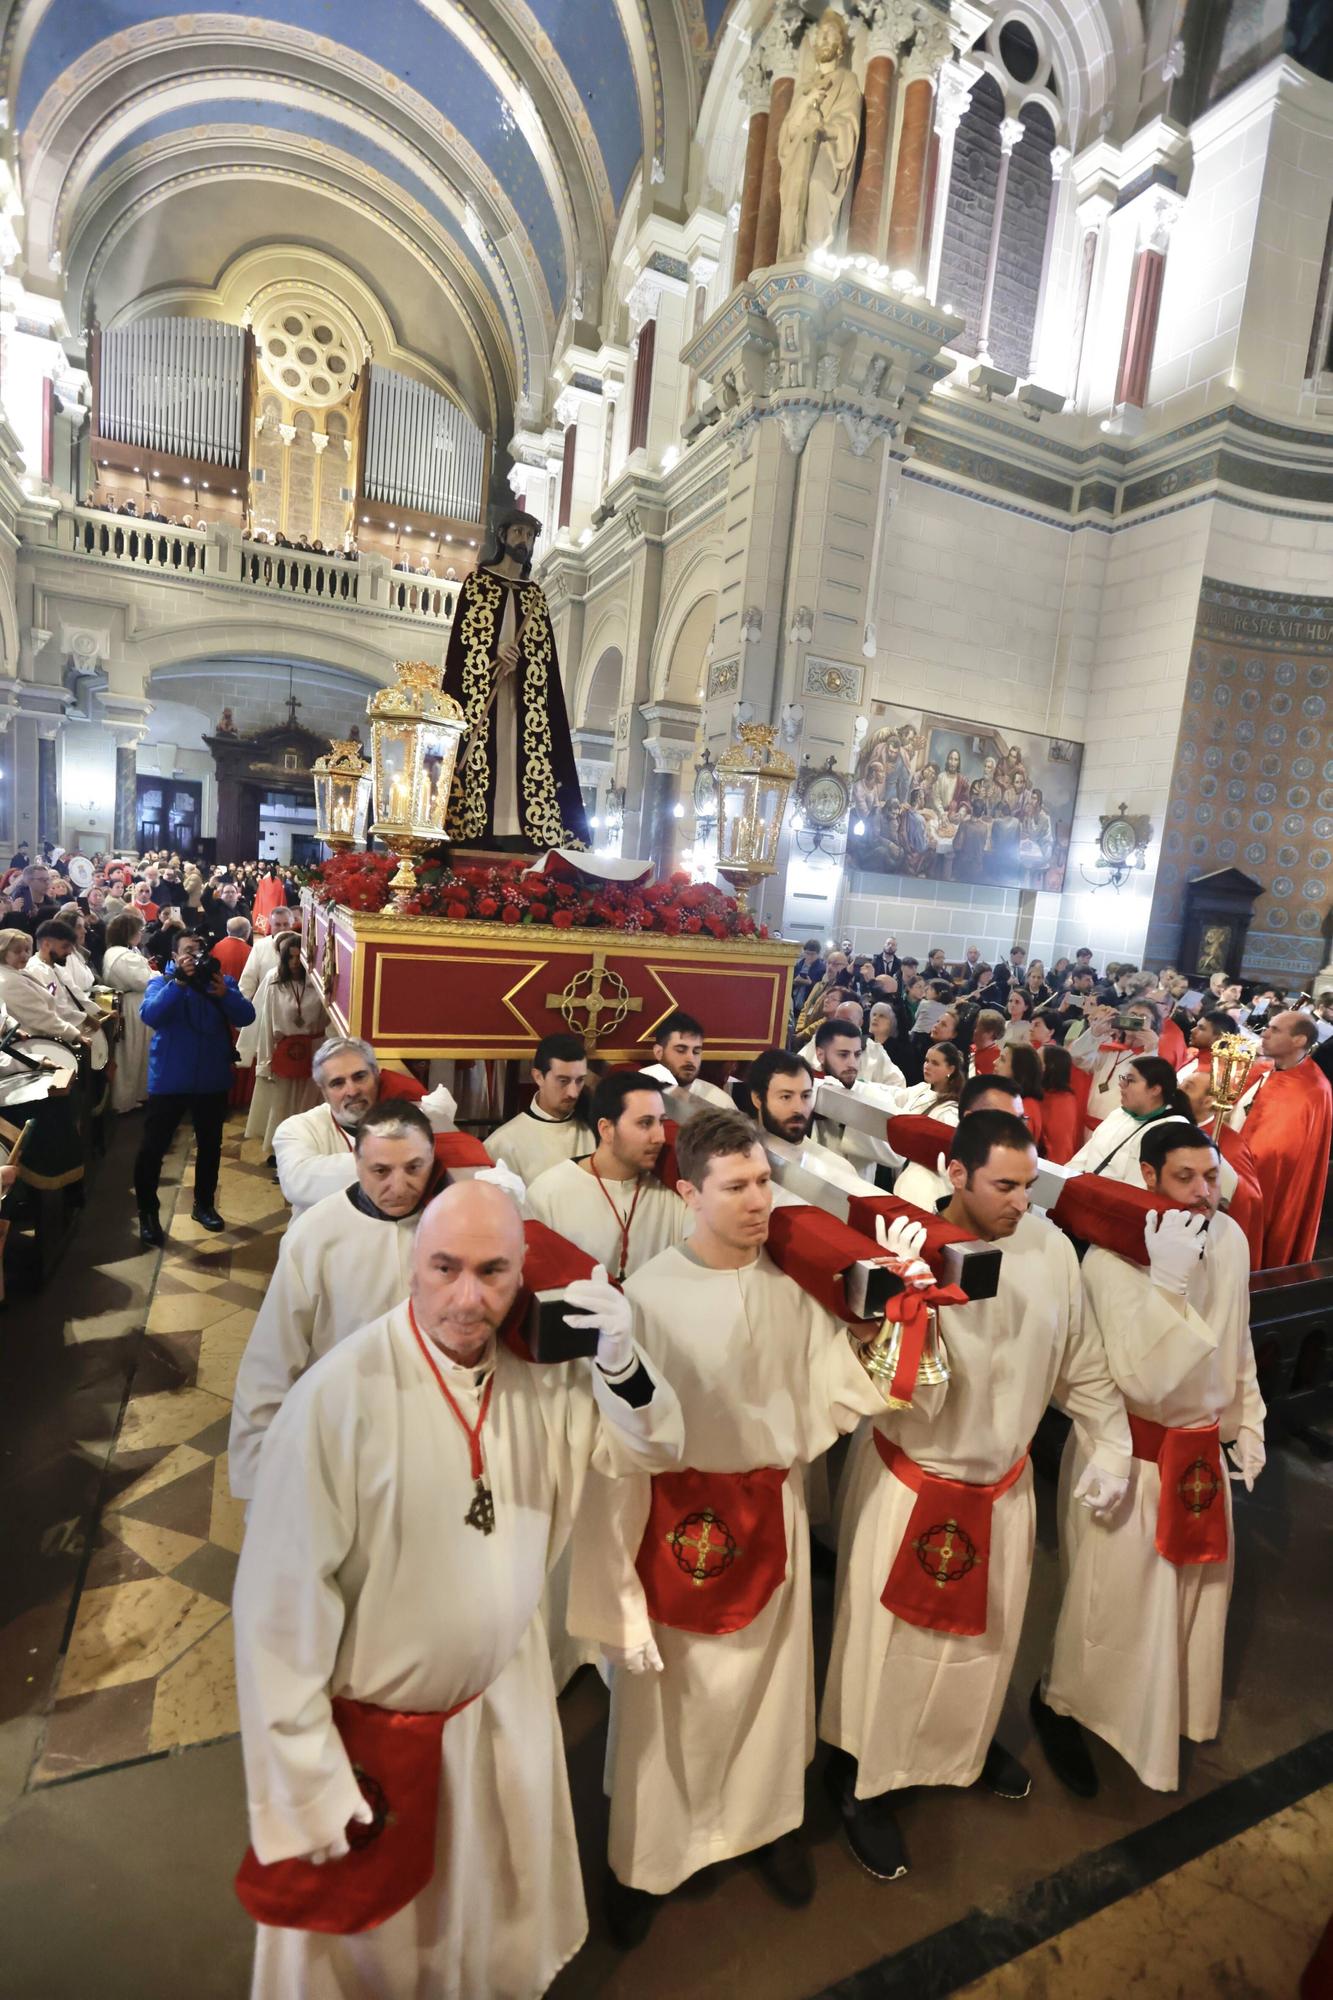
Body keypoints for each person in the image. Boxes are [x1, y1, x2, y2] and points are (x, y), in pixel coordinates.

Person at [231, 1181, 683, 1998]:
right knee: (374, 1956)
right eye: (444, 1268)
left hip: (498, 1712)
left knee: (479, 1934)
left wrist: (624, 1360)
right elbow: (277, 1613)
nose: (467, 1298)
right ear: (412, 1263)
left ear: (521, 1276)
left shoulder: (542, 1383)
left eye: (492, 1272)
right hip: (371, 1741)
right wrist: (307, 1778)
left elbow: (650, 1447)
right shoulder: (338, 1399)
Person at [580, 1109, 914, 1944]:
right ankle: (646, 1861)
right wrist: (615, 1592)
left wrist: (892, 1318)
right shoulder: (649, 1295)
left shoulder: (792, 1288)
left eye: (765, 1181)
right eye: (736, 1187)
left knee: (770, 1691)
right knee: (673, 1702)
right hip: (678, 1527)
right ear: (689, 1192)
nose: (760, 1200)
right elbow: (618, 1451)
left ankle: (763, 1828)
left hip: (773, 1510)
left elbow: (839, 1388)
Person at [821, 1112, 1132, 1879]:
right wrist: (902, 1307)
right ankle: (860, 1778)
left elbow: (1078, 1359)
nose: (1022, 1201)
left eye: (1028, 1184)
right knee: (883, 1651)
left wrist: (1113, 1439)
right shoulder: (913, 1255)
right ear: (954, 1176)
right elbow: (888, 1395)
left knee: (982, 1643)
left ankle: (956, 1751)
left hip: (1003, 1488)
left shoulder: (1050, 1248)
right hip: (914, 1482)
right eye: (1004, 1185)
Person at [1034, 1124, 1264, 1797]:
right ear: (1145, 1176)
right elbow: (1138, 1378)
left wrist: (1245, 1422)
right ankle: (1068, 1707)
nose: (1202, 1194)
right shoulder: (1109, 1260)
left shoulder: (1229, 1238)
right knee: (1110, 1605)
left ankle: (1169, 1712)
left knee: (1190, 1600)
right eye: (1183, 1178)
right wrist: (1165, 1283)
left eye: (1210, 1176)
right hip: (1130, 1458)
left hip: (1198, 1456)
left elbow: (1234, 1339)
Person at [230, 1101, 441, 1497]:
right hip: (343, 1428)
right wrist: (257, 1479)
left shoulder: (450, 1225)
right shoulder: (316, 1236)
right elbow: (271, 1359)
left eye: (414, 1168)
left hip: (430, 1431)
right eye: (381, 1171)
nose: (399, 1186)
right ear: (357, 1165)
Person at [441, 507, 589, 848]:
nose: (524, 540)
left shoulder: (535, 595)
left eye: (530, 535)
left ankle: (521, 826)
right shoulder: (477, 585)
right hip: (483, 701)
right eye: (519, 532)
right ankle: (479, 825)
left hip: (525, 701)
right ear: (503, 536)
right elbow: (462, 649)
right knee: (487, 754)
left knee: (521, 753)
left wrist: (521, 663)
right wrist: (492, 654)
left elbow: (544, 659)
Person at [133, 931, 256, 1244]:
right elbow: (151, 1015)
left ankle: (204, 1205)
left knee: (211, 1146)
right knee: (152, 1149)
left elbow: (247, 1015)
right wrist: (179, 984)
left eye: (199, 951)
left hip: (211, 1079)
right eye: (187, 952)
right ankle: (147, 1213)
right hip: (170, 1079)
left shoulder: (221, 982)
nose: (194, 957)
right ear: (175, 957)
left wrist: (224, 995)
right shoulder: (161, 983)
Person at [525, 1072, 689, 1280]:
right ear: (606, 1129)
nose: (660, 1137)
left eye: (661, 1122)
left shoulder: (672, 1194)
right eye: (645, 1123)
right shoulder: (548, 1193)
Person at [273, 1036, 453, 1217]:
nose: (352, 1091)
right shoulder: (296, 1129)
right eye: (337, 1083)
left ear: (376, 1075)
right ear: (323, 1091)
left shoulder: (413, 1120)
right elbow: (298, 1182)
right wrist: (403, 1158)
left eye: (359, 1077)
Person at [1214, 1010, 1332, 1267]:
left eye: (1274, 1030)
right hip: (1227, 1167)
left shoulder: (1312, 1088)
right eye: (1267, 1027)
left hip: (1256, 1182)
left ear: (1299, 1040)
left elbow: (1278, 1155)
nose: (1264, 1034)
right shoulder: (1264, 1070)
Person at [245, 933, 329, 1157]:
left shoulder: (316, 981)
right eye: (289, 958)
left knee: (308, 1104)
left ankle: (306, 1151)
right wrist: (266, 1058)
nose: (294, 963)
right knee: (281, 1104)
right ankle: (278, 1152)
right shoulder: (274, 980)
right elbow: (267, 1022)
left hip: (313, 1049)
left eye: (298, 958)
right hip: (285, 1051)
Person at [1065, 1055, 1198, 1189]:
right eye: (1124, 1078)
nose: (1121, 1084)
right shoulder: (1119, 1114)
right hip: (1083, 1193)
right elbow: (1079, 1162)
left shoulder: (1172, 1131)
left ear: (1155, 1090)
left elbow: (1137, 1190)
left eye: (1131, 1080)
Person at [484, 1033, 594, 1186]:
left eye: (580, 1080)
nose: (573, 1093)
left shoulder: (596, 1129)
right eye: (563, 1081)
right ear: (538, 1077)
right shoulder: (502, 1144)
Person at [0, 926, 89, 1048]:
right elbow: (40, 1016)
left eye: (26, 950)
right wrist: (75, 1034)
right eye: (17, 951)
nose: (24, 955)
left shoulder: (16, 973)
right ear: (3, 952)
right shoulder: (9, 980)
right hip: (30, 1044)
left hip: (39, 1037)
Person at [236, 907, 299, 1074]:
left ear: (293, 924)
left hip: (296, 1013)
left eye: (286, 924)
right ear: (270, 925)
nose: (282, 928)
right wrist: (244, 1012)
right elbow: (247, 982)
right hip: (266, 1012)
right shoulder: (260, 947)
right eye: (277, 924)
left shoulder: (302, 947)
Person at [102, 911, 154, 1112]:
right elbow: (143, 980)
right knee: (130, 1054)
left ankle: (137, 1094)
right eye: (138, 931)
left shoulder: (118, 951)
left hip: (132, 1002)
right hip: (132, 1005)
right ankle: (125, 1100)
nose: (141, 934)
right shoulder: (123, 956)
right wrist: (157, 975)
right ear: (128, 933)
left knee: (136, 1053)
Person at [640, 1010, 734, 1119]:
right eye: (680, 1050)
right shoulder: (635, 1094)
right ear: (659, 1052)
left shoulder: (720, 1102)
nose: (690, 1058)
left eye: (696, 1052)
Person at [213, 914, 252, 985]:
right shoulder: (249, 951)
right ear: (247, 932)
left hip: (217, 988)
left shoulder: (216, 946)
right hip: (238, 992)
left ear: (227, 930)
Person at [970, 1008, 1005, 1075]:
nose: (974, 1030)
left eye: (977, 1027)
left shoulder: (996, 1058)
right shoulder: (971, 1048)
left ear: (990, 1033)